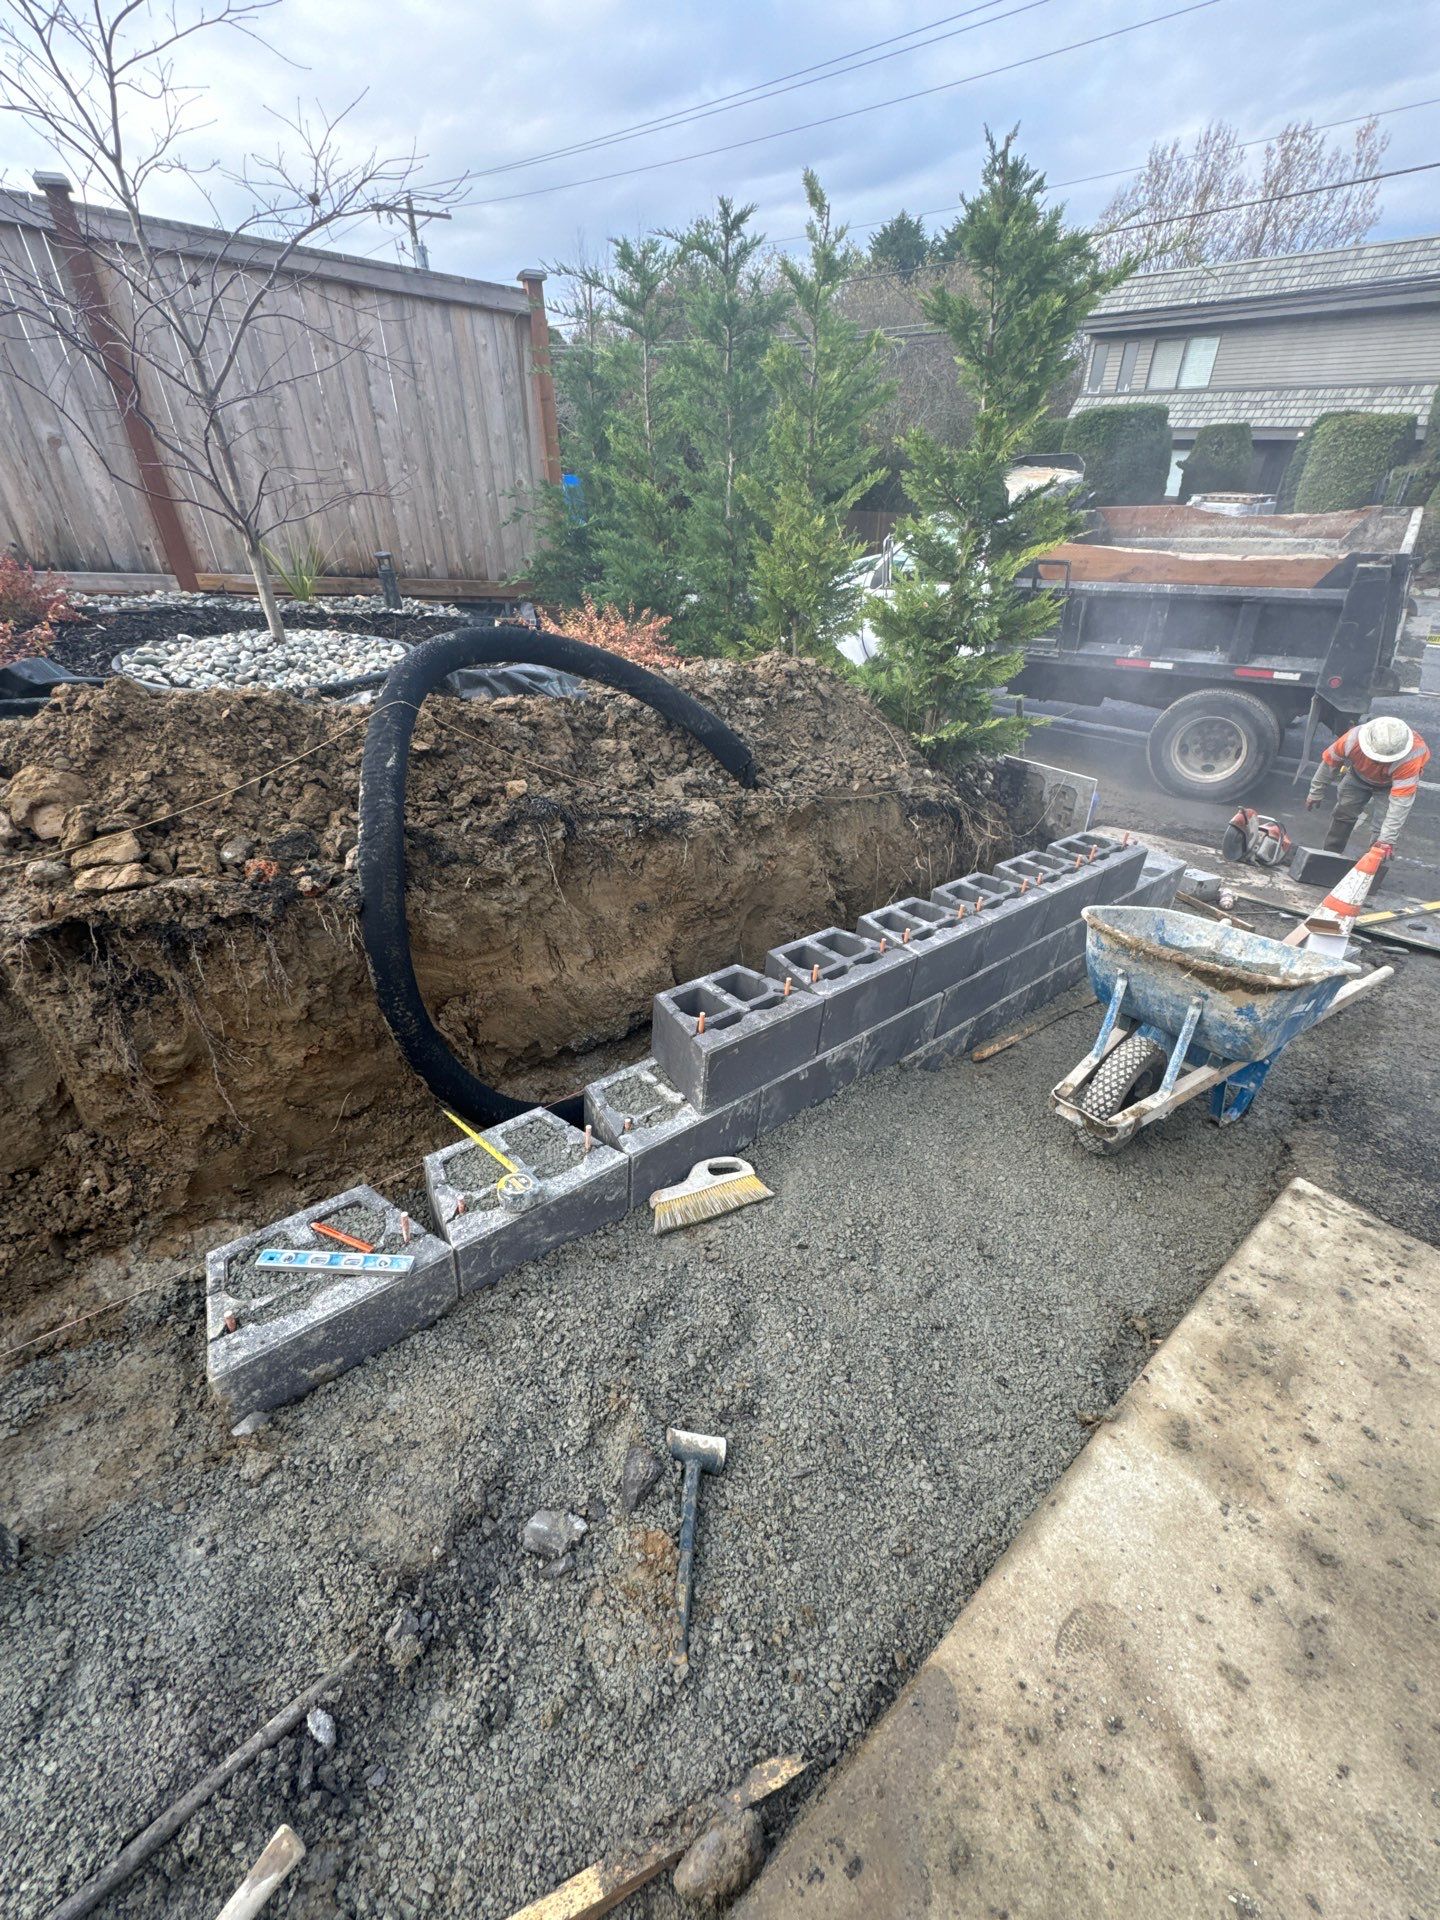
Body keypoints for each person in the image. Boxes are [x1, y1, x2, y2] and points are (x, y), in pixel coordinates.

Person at [1305, 716, 1430, 854]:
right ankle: (1330, 854)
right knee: (1344, 812)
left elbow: (1400, 803)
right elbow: (1329, 763)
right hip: (1357, 777)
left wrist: (1387, 840)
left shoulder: (1411, 757)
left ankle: (1373, 863)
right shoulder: (1351, 739)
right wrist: (1316, 791)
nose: (1380, 762)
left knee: (1382, 830)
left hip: (1389, 786)